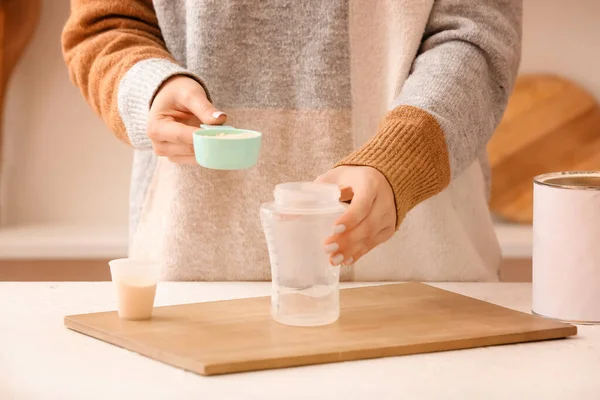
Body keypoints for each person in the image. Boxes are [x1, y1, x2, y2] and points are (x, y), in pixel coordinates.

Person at [61, 1, 522, 282]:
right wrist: (152, 88)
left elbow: (476, 33)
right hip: (190, 279)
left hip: (429, 280)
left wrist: (400, 156)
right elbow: (107, 24)